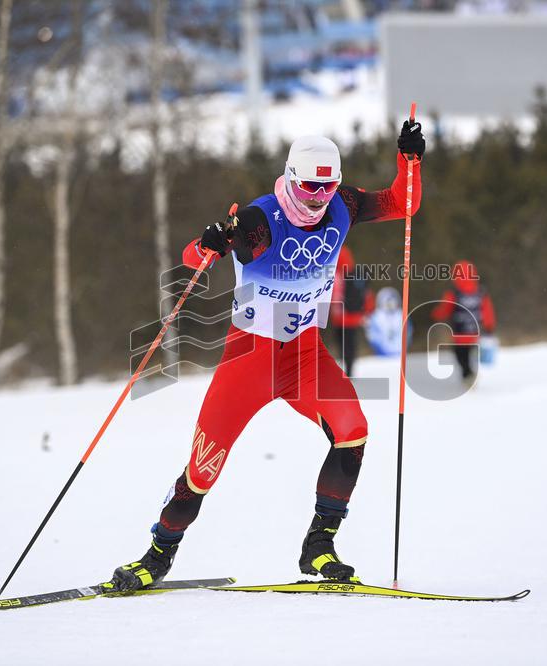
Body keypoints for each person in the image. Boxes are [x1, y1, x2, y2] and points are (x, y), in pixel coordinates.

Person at [110, 122, 425, 590]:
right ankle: (157, 554)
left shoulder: (345, 205)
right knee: (203, 466)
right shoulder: (259, 221)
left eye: (328, 185)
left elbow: (403, 203)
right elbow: (194, 258)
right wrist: (209, 242)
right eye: (308, 186)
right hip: (250, 360)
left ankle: (319, 547)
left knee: (353, 430)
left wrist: (409, 161)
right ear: (290, 177)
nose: (318, 197)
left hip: (305, 357)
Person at [430, 261, 495, 385]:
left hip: (460, 334)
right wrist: (489, 326)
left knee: (460, 355)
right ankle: (470, 374)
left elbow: (445, 308)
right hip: (476, 333)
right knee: (471, 353)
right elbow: (487, 310)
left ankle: (468, 375)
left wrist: (435, 314)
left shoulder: (454, 293)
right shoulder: (481, 292)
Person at [327, 246, 373, 376]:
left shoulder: (335, 274)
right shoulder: (352, 273)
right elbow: (366, 294)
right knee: (348, 344)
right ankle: (348, 371)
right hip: (351, 315)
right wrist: (367, 310)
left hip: (343, 316)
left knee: (344, 345)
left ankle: (347, 371)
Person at [364, 287, 410, 357]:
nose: (390, 305)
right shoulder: (376, 317)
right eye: (387, 303)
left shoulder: (401, 315)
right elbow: (373, 336)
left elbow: (408, 333)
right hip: (382, 355)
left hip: (398, 352)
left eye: (392, 302)